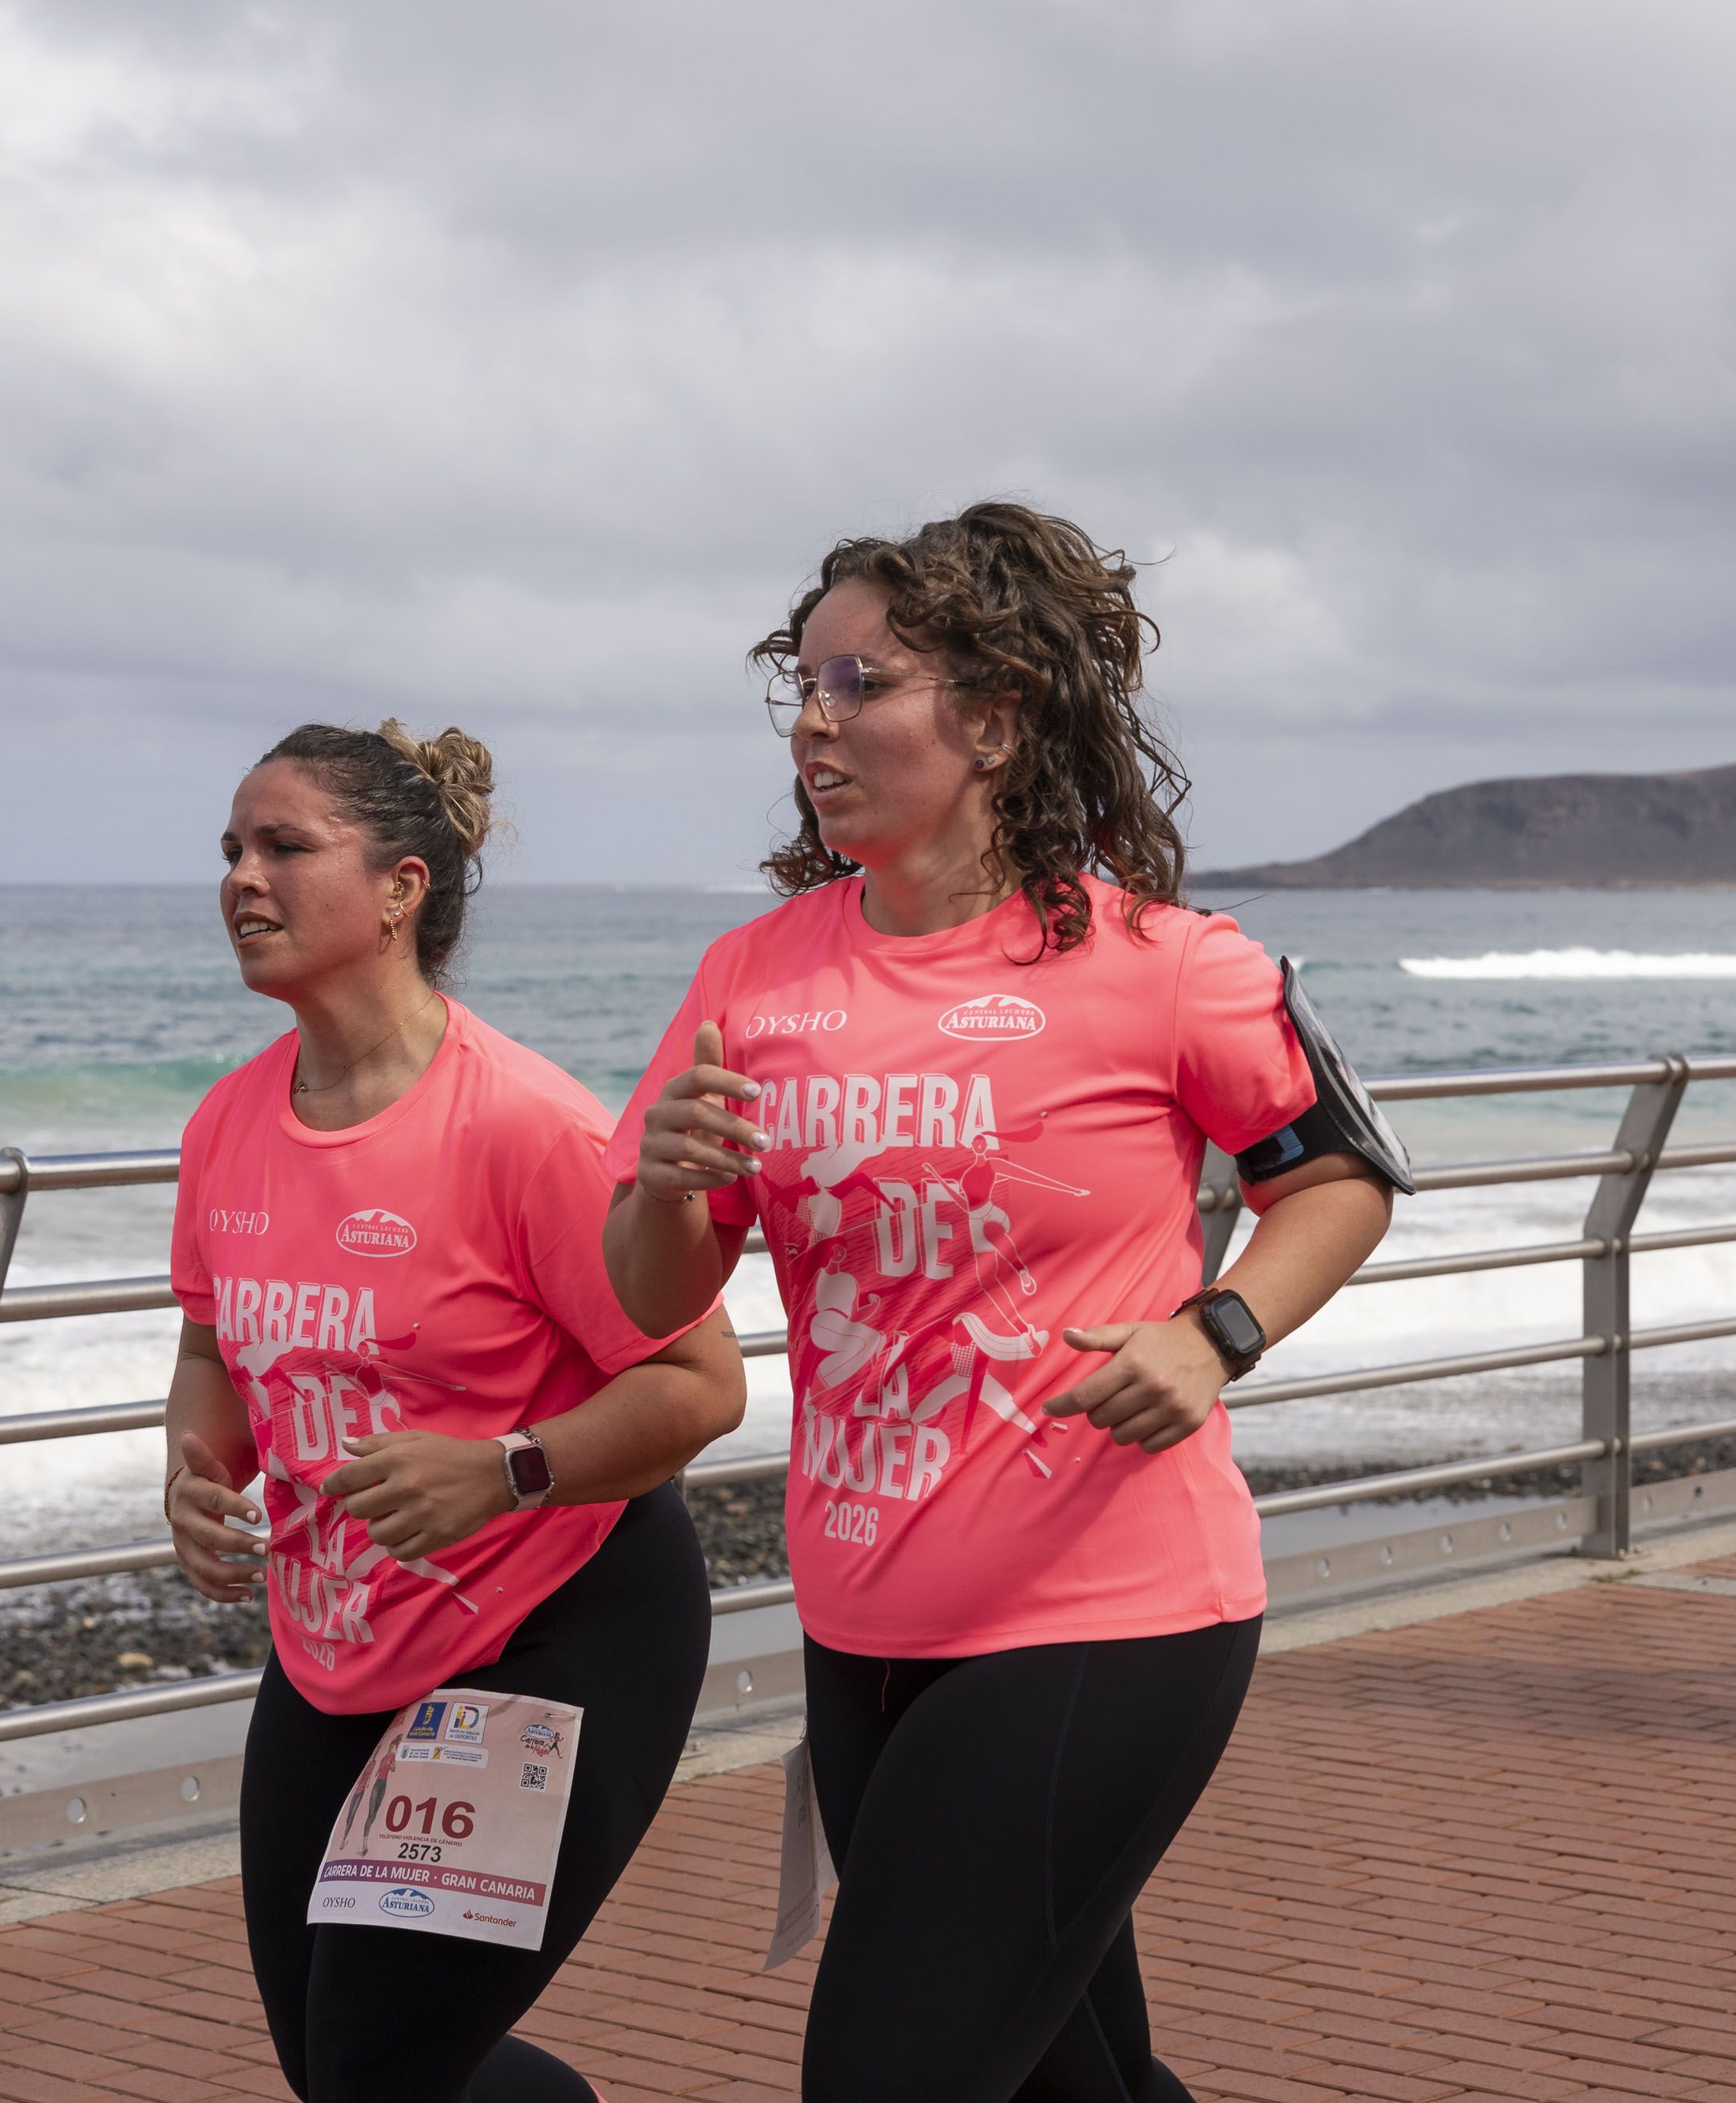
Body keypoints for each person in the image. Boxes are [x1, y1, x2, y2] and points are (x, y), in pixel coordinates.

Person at [601, 502, 1399, 2101]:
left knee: (885, 2075)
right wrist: (668, 1187)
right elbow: (650, 1293)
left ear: (999, 715)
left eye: (861, 682)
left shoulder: (1167, 961)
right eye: (802, 686)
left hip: (1109, 1608)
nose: (813, 723)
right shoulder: (753, 976)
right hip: (861, 1617)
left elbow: (1338, 1176)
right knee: (1065, 2079)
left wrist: (1216, 1331)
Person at [163, 722, 745, 2103]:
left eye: (284, 847)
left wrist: (505, 1469)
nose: (242, 877)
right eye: (232, 849)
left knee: (378, 2061)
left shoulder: (524, 1123)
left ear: (402, 888)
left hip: (559, 1624)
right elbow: (213, 1347)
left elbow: (700, 1385)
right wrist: (195, 1475)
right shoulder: (226, 1124)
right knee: (338, 2062)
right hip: (337, 1635)